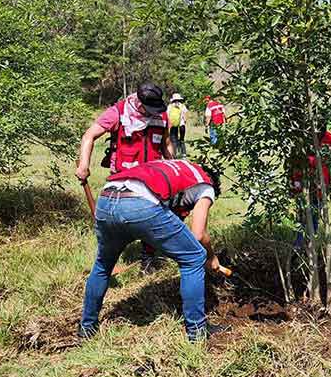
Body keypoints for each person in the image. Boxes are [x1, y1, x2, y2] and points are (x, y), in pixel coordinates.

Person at [78, 159, 227, 342]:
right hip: (139, 203)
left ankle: (87, 328)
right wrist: (211, 257)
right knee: (194, 257)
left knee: (103, 264)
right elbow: (198, 234)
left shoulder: (177, 166)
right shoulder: (205, 185)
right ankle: (197, 331)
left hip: (107, 197)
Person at [75, 82, 175, 272]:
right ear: (139, 103)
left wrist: (173, 164)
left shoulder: (162, 116)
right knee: (116, 223)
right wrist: (84, 165)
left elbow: (166, 143)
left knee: (153, 219)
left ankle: (147, 260)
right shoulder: (118, 113)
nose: (154, 112)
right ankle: (108, 259)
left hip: (153, 178)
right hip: (124, 178)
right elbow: (89, 136)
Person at [289, 126, 331, 248]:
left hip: (319, 187)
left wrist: (328, 186)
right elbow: (294, 166)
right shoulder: (302, 139)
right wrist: (294, 186)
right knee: (301, 218)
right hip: (303, 186)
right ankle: (298, 246)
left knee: (314, 217)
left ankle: (310, 245)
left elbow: (330, 167)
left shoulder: (329, 140)